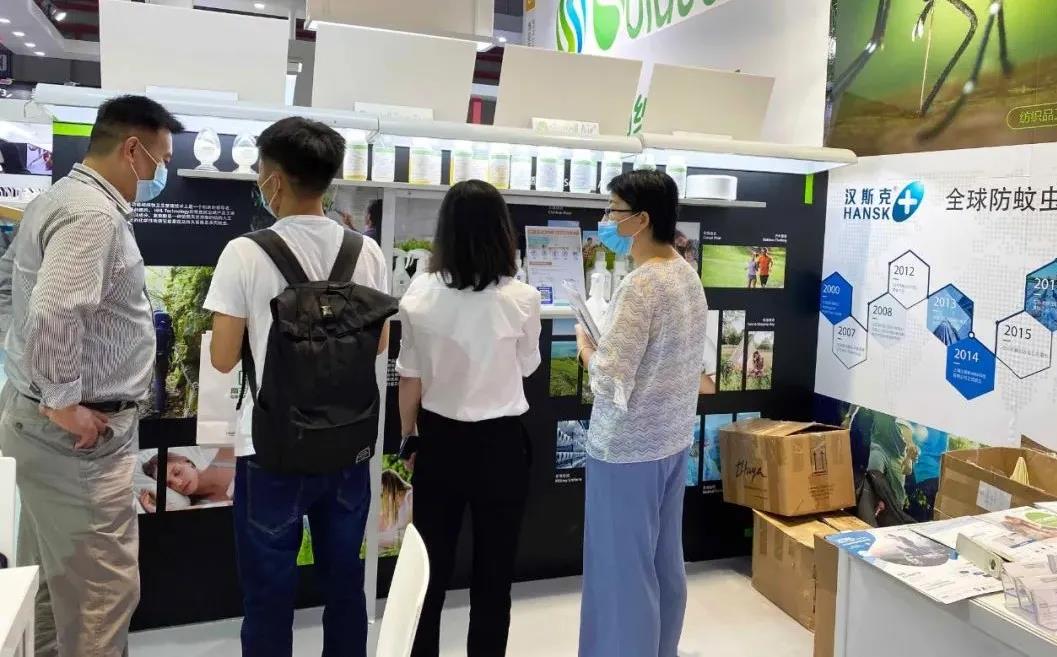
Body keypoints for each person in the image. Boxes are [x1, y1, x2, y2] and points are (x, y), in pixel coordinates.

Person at [0, 94, 183, 657]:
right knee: (101, 595)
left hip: (39, 427)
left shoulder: (55, 199)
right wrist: (61, 402)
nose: (161, 173)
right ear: (131, 150)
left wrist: (29, 375)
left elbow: (9, 286)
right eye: (160, 160)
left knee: (52, 584)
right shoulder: (92, 215)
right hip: (76, 441)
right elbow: (55, 309)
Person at [203, 116, 389, 657]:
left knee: (268, 595)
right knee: (344, 586)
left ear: (275, 179)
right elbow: (379, 345)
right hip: (348, 445)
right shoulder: (366, 252)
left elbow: (221, 359)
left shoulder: (244, 252)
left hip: (271, 449)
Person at [397, 180, 541, 657]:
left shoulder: (419, 294)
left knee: (429, 573)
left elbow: (410, 379)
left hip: (439, 443)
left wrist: (408, 438)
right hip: (501, 447)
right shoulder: (522, 298)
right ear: (502, 231)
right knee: (494, 577)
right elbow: (528, 366)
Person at [575, 170, 708, 657]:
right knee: (663, 563)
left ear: (642, 219)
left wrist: (586, 348)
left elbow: (610, 378)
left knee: (621, 574)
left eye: (613, 211)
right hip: (671, 441)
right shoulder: (687, 276)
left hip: (626, 452)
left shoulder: (640, 285)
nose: (607, 220)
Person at [138, 447, 236, 512]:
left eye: (177, 472)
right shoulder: (201, 507)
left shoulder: (228, 454)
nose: (178, 483)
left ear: (188, 462)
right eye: (169, 484)